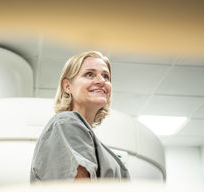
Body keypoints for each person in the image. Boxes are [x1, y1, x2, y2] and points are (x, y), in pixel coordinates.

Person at [30, 51, 130, 182]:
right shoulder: (66, 123)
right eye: (90, 74)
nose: (101, 81)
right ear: (67, 86)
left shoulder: (91, 140)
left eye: (106, 76)